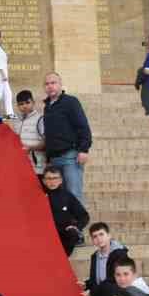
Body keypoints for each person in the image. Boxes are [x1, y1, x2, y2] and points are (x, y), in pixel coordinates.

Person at [41, 72, 93, 202]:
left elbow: (83, 126)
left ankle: (77, 223)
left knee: (74, 195)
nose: (50, 86)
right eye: (47, 84)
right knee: (59, 198)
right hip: (54, 160)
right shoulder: (47, 107)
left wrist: (84, 150)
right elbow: (49, 134)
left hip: (70, 158)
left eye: (53, 83)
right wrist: (48, 158)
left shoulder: (70, 102)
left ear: (60, 85)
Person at [42, 165, 89, 257]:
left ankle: (63, 258)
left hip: (62, 233)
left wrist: (76, 227)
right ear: (44, 181)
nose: (52, 181)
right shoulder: (38, 194)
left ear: (61, 180)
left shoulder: (67, 196)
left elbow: (84, 216)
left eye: (55, 178)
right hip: (44, 233)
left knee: (73, 234)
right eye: (49, 178)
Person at [12, 90, 46, 175]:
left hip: (38, 168)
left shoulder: (41, 119)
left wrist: (31, 148)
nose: (24, 106)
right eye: (21, 104)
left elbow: (47, 142)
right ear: (17, 106)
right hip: (21, 167)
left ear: (33, 102)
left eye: (27, 102)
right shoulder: (16, 121)